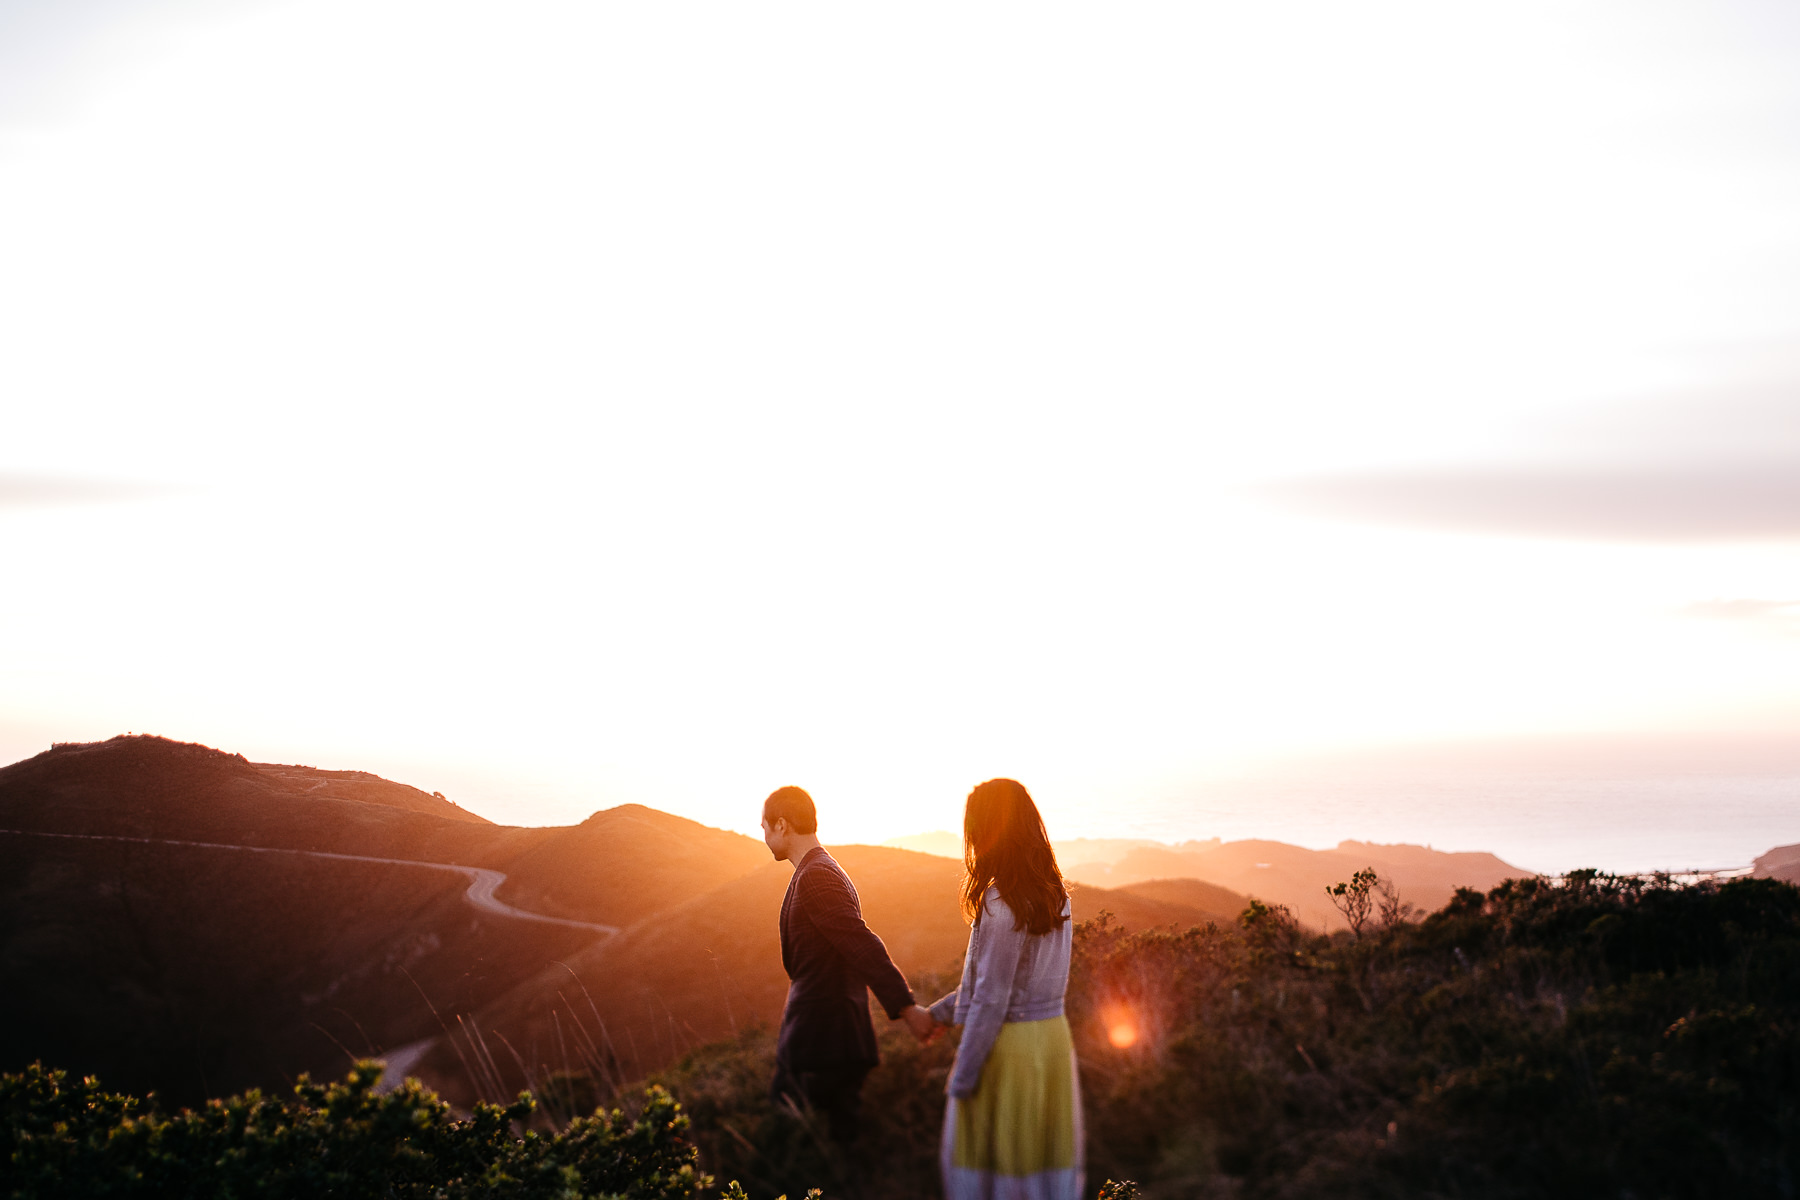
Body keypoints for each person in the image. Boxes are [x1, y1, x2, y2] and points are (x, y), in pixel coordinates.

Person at [925, 778, 1083, 1200]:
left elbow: (992, 998)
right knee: (1040, 1165)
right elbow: (999, 988)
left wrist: (963, 1076)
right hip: (1051, 1040)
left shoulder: (1000, 903)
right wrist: (938, 1014)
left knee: (995, 1167)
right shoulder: (1057, 897)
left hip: (1008, 1048)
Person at [761, 784, 935, 1142]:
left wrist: (905, 1007)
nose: (763, 836)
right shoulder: (817, 870)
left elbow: (860, 944)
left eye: (764, 827)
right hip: (822, 1040)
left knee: (814, 1154)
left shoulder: (817, 875)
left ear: (781, 825)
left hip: (824, 1042)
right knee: (822, 1151)